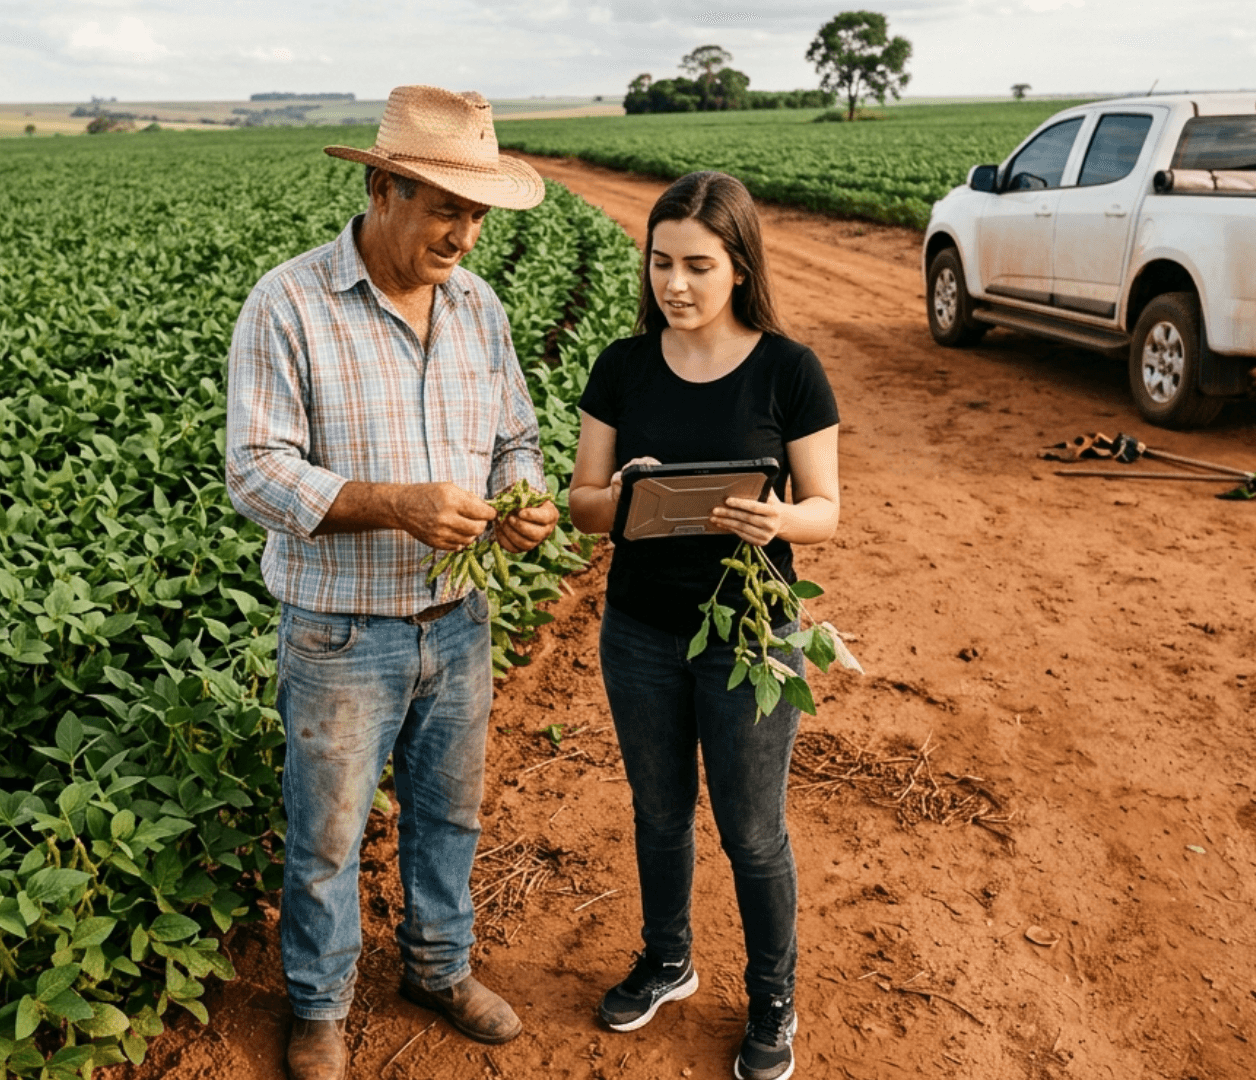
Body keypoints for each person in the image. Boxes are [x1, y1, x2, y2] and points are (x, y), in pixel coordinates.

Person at [225, 85, 560, 1080]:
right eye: (445, 207)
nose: (465, 232)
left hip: (457, 621)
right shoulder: (288, 303)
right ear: (380, 187)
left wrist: (523, 502)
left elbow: (517, 437)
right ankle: (321, 1004)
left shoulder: (478, 307)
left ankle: (437, 968)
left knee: (450, 813)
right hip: (340, 630)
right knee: (327, 835)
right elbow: (255, 467)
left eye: (477, 211)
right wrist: (393, 503)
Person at [566, 171, 840, 1080]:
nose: (673, 285)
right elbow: (583, 506)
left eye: (697, 265)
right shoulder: (622, 367)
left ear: (739, 266)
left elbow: (826, 508)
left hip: (753, 635)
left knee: (752, 830)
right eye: (659, 264)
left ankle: (773, 998)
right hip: (641, 631)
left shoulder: (789, 369)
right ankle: (669, 959)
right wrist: (627, 489)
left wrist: (777, 520)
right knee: (658, 810)